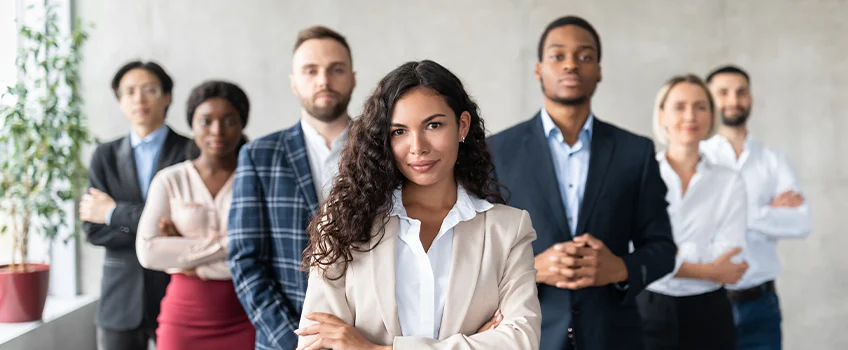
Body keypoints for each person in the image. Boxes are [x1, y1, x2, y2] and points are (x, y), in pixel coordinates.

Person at [295, 59, 541, 350]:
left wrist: (374, 349)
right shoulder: (342, 223)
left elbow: (521, 341)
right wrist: (473, 343)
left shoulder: (508, 229)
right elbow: (318, 342)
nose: (418, 146)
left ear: (462, 125)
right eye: (399, 131)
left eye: (433, 125)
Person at [487, 15, 676, 350]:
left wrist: (620, 269)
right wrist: (530, 269)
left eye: (585, 56)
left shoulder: (636, 152)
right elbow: (476, 254)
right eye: (558, 56)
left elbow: (663, 249)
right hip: (528, 336)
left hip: (614, 337)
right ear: (538, 69)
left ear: (599, 70)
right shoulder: (498, 151)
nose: (571, 65)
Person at [228, 25, 355, 350]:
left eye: (335, 70)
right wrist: (292, 341)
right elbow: (246, 260)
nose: (324, 80)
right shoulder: (259, 156)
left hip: (368, 337)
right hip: (286, 339)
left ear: (353, 78)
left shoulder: (385, 149)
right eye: (311, 71)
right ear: (294, 82)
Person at [135, 81, 255, 350]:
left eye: (229, 121)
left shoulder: (256, 178)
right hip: (184, 317)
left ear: (241, 124)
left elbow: (263, 249)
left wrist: (183, 255)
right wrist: (231, 245)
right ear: (192, 124)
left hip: (246, 314)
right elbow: (148, 252)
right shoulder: (170, 180)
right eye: (206, 121)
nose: (217, 131)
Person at [81, 61, 191, 350]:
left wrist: (113, 213)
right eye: (129, 91)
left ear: (167, 96)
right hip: (119, 297)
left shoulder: (190, 151)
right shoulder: (104, 156)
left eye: (149, 90)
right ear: (120, 100)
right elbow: (93, 229)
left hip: (177, 291)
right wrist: (158, 230)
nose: (139, 99)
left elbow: (188, 226)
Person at [701, 65, 812, 350]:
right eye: (723, 93)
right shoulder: (696, 158)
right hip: (707, 302)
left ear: (750, 98)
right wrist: (767, 210)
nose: (733, 100)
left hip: (762, 305)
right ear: (709, 99)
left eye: (741, 92)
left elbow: (801, 223)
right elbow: (689, 224)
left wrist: (730, 212)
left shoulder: (774, 160)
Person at [636, 74, 749, 350]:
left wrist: (664, 257)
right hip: (648, 310)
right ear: (661, 115)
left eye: (700, 107)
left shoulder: (729, 180)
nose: (690, 116)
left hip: (709, 312)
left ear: (712, 115)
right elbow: (633, 254)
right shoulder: (639, 176)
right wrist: (710, 268)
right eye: (679, 106)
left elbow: (731, 252)